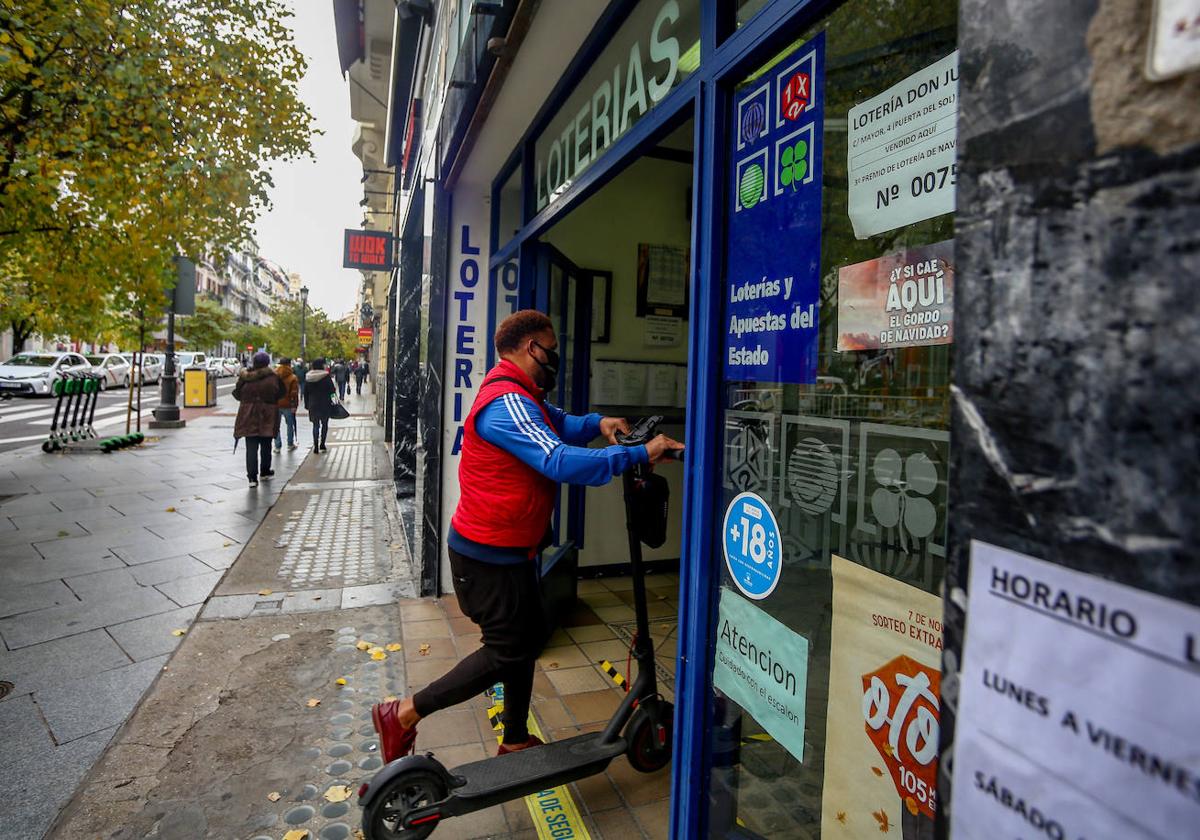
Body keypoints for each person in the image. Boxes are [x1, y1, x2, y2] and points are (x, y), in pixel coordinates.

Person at [371, 310, 683, 762]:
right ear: (531, 347)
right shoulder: (506, 403)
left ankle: (514, 736)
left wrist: (600, 424)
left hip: (510, 552)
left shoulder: (523, 395)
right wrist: (638, 453)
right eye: (551, 349)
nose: (554, 358)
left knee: (526, 640)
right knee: (506, 651)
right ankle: (402, 713)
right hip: (485, 558)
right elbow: (558, 460)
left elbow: (559, 423)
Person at [233, 351, 285, 488]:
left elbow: (237, 394)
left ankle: (252, 477)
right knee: (266, 444)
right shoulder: (273, 377)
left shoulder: (245, 377)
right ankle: (265, 471)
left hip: (248, 414)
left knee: (251, 447)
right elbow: (281, 392)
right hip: (267, 414)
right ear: (267, 363)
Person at [304, 357, 336, 453]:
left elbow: (305, 392)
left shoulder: (308, 377)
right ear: (321, 365)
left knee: (315, 425)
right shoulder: (326, 376)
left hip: (313, 404)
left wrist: (307, 404)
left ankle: (316, 446)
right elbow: (332, 391)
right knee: (324, 424)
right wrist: (335, 402)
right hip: (325, 404)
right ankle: (322, 444)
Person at [274, 357, 300, 452]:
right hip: (288, 404)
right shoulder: (292, 377)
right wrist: (294, 405)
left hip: (276, 404)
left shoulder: (274, 375)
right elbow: (294, 393)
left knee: (276, 425)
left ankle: (277, 446)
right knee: (290, 424)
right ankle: (290, 444)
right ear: (289, 364)